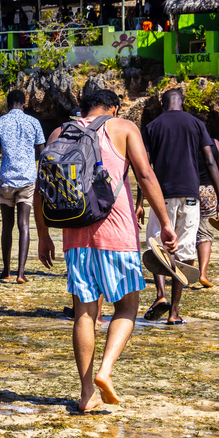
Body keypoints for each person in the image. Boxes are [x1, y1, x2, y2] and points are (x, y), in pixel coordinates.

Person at [34, 89, 178, 411]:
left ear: (82, 108)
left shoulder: (60, 132)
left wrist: (44, 236)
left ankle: (86, 396)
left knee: (84, 314)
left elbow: (41, 190)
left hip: (74, 237)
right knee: (126, 308)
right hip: (116, 234)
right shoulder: (123, 127)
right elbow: (144, 174)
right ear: (113, 108)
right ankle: (106, 370)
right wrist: (165, 222)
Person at [136, 89, 219, 324]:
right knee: (185, 253)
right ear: (183, 102)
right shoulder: (196, 124)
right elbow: (210, 160)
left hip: (160, 196)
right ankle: (174, 314)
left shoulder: (153, 126)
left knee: (157, 246)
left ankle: (160, 295)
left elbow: (144, 168)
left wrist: (139, 202)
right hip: (190, 196)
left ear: (161, 103)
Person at [0, 89, 46, 283]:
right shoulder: (34, 123)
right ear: (24, 103)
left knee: (7, 226)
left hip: (6, 180)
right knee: (24, 225)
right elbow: (42, 154)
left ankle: (6, 270)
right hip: (28, 179)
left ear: (7, 103)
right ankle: (21, 273)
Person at [195, 138, 219, 288]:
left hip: (186, 189)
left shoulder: (185, 141)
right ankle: (202, 273)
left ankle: (184, 274)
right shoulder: (215, 143)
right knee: (205, 235)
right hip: (209, 192)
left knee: (183, 231)